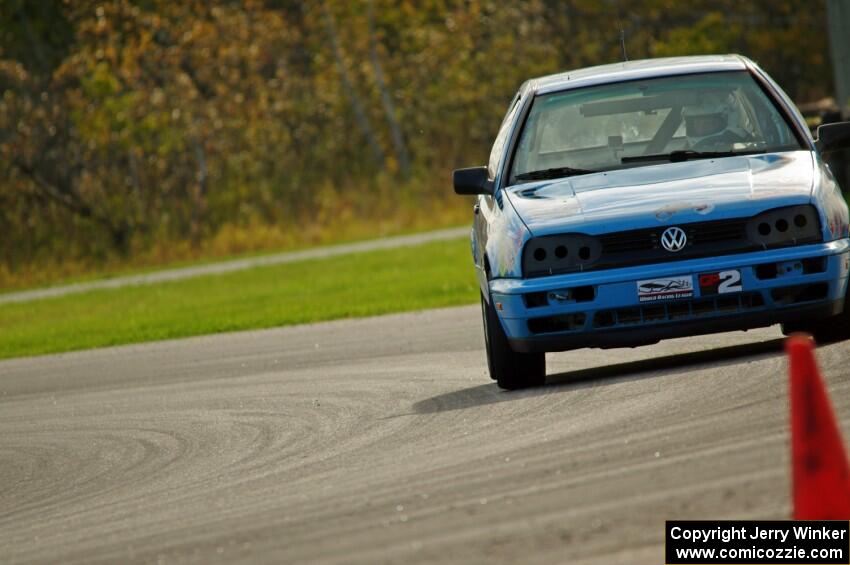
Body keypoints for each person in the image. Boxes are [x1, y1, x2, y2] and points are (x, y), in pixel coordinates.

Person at [682, 92, 751, 151]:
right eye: (697, 124)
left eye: (708, 124)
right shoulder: (683, 155)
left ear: (728, 120)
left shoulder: (747, 147)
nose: (701, 128)